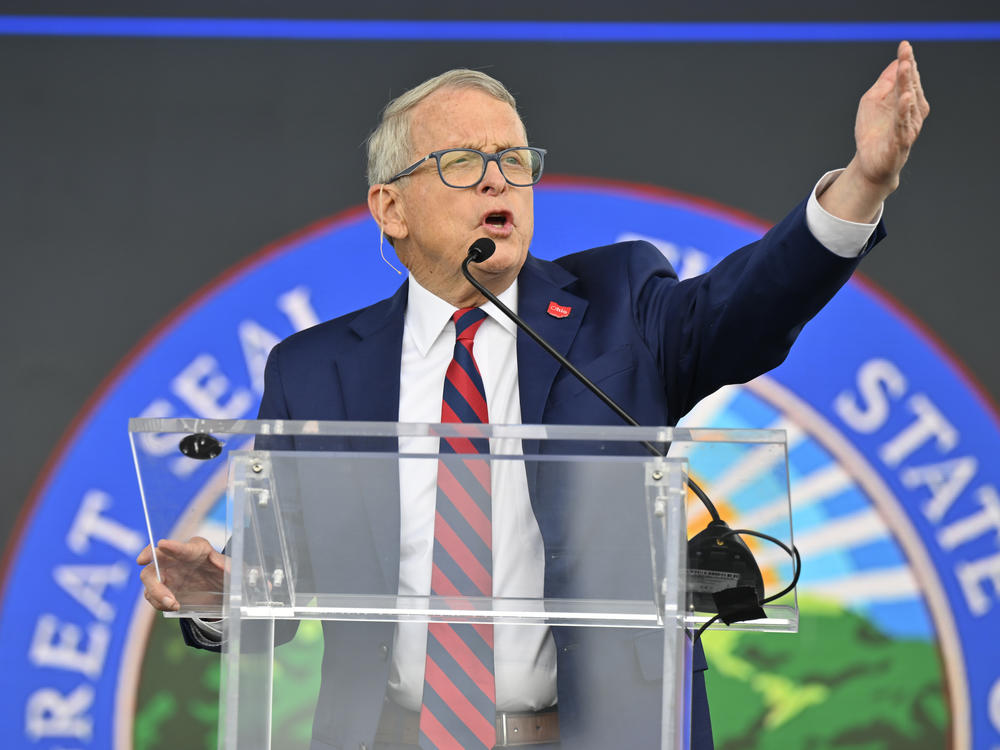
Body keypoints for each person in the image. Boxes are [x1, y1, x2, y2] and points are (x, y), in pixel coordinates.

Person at [138, 41, 929, 750]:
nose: (497, 179)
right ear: (390, 209)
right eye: (462, 162)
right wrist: (218, 599)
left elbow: (748, 307)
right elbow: (283, 579)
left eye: (515, 160)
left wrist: (862, 183)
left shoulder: (620, 304)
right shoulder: (313, 372)